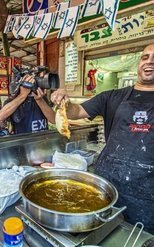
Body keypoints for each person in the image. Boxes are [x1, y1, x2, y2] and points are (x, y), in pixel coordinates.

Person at [51, 43, 154, 234]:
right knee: (103, 233)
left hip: (149, 195)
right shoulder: (112, 97)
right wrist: (65, 102)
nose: (150, 61)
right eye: (145, 57)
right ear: (139, 63)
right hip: (108, 184)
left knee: (140, 241)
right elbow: (76, 112)